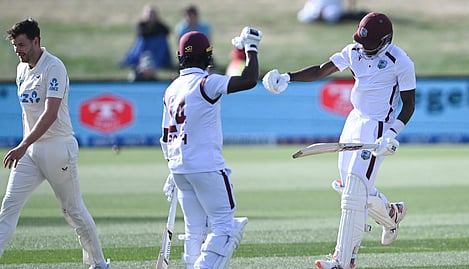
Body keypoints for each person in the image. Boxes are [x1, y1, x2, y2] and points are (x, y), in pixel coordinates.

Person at [263, 12, 415, 269]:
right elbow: (323, 69)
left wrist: (391, 134)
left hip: (378, 126)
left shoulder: (399, 61)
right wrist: (288, 78)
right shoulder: (354, 50)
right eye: (361, 42)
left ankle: (343, 261)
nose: (363, 49)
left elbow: (409, 105)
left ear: (386, 40)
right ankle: (391, 215)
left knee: (354, 193)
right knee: (351, 188)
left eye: (370, 44)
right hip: (354, 121)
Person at [1, 18, 110, 269]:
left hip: (58, 147)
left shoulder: (55, 67)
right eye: (15, 46)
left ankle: (100, 264)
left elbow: (50, 114)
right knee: (9, 206)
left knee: (72, 210)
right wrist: (27, 146)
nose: (18, 50)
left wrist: (22, 144)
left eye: (22, 45)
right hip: (30, 152)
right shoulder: (21, 70)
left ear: (36, 41)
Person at [160, 27, 262, 269]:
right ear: (206, 56)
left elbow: (165, 135)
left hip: (179, 168)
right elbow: (249, 80)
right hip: (205, 167)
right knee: (224, 227)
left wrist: (171, 169)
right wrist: (252, 49)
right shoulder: (207, 82)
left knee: (195, 230)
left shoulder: (171, 88)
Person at [121, 4, 173, 70]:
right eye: (149, 14)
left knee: (161, 40)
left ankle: (158, 62)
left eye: (153, 14)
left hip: (157, 47)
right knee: (142, 41)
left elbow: (167, 31)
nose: (151, 16)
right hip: (145, 46)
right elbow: (142, 34)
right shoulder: (141, 24)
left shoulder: (160, 25)